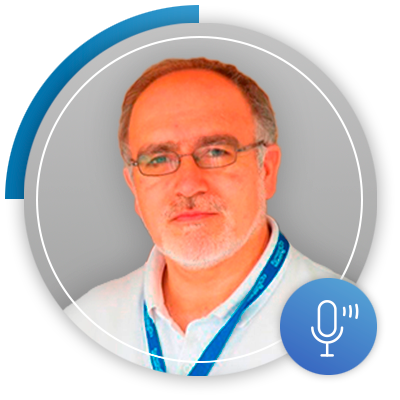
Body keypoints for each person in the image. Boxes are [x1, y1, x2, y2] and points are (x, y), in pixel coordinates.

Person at [64, 58, 347, 376]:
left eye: (216, 152)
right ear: (134, 187)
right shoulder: (83, 326)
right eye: (158, 159)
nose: (188, 185)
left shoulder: (341, 325)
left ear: (266, 170)